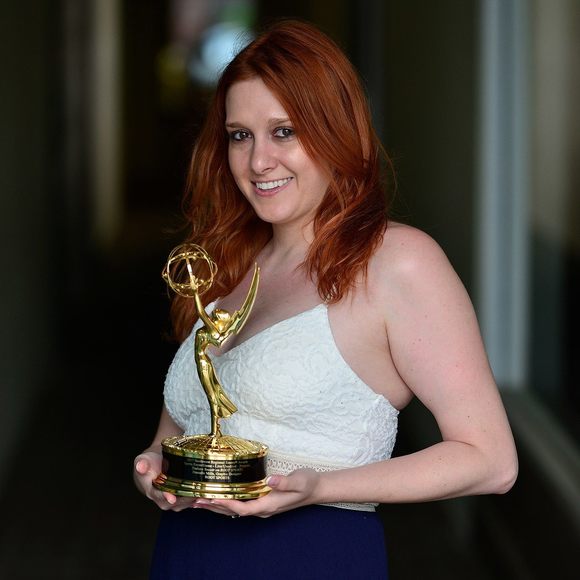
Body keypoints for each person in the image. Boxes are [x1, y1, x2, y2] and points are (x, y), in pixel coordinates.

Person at [134, 19, 518, 579]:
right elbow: (175, 438)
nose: (258, 161)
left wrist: (320, 487)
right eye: (240, 135)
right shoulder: (226, 265)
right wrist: (152, 470)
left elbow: (490, 460)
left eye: (284, 131)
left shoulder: (396, 262)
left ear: (334, 130)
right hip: (185, 555)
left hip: (309, 557)